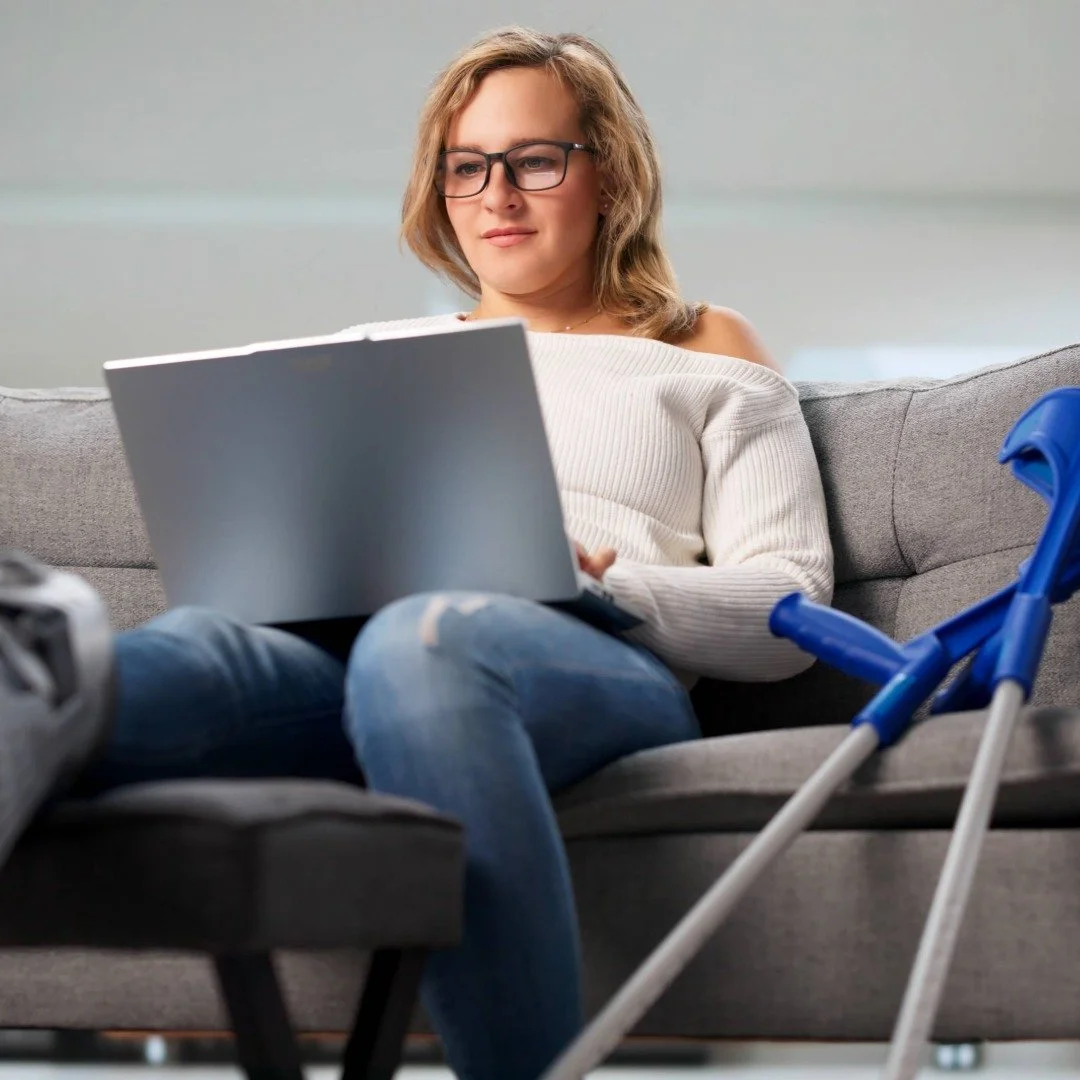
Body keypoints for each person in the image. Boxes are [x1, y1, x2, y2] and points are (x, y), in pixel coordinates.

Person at [72, 26, 833, 1080]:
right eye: (466, 168)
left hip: (592, 654)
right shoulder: (374, 361)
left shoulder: (705, 347)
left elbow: (790, 609)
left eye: (534, 160)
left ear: (607, 173)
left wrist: (605, 579)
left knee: (428, 637)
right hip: (341, 648)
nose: (496, 195)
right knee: (159, 656)